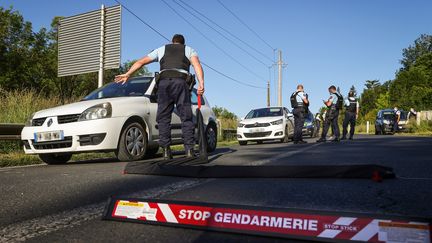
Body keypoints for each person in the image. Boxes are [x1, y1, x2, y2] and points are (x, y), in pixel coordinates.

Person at [115, 34, 205, 160]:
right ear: (183, 43)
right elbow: (197, 65)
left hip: (164, 83)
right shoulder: (189, 50)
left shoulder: (162, 49)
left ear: (172, 42)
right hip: (180, 82)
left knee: (163, 118)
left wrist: (128, 74)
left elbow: (141, 61)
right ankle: (189, 150)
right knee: (186, 117)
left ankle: (166, 152)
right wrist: (201, 83)